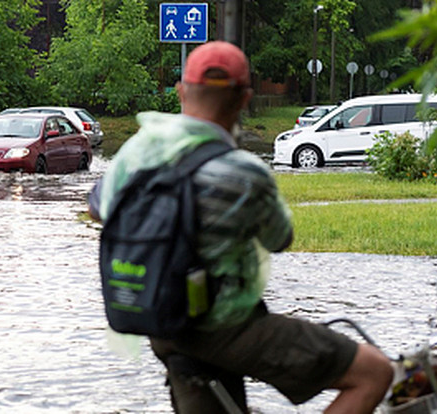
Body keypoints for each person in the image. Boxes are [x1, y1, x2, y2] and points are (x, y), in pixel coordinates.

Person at [88, 41, 393, 413]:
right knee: (374, 373)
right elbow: (280, 239)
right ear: (244, 98)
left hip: (158, 321)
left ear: (182, 92)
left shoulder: (138, 151)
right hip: (223, 327)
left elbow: (98, 210)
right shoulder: (244, 172)